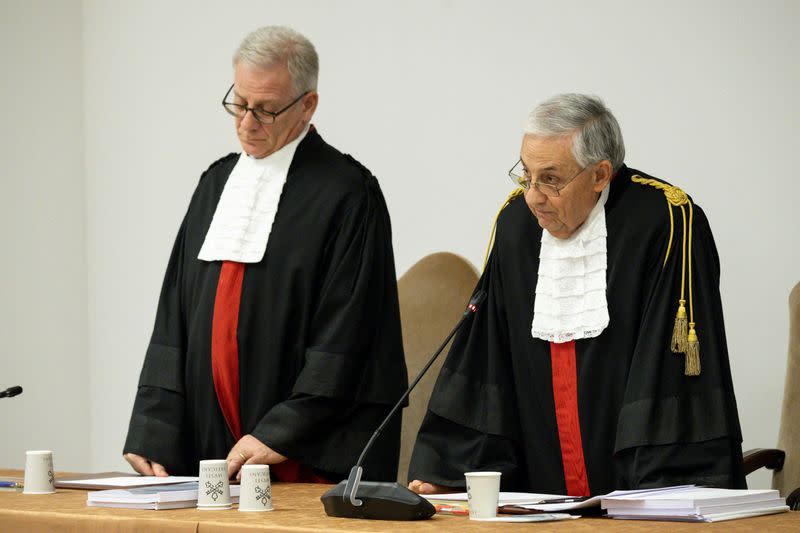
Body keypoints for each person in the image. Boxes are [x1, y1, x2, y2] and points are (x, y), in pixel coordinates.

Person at [408, 94, 746, 496]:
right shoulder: (516, 224)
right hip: (536, 489)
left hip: (635, 491)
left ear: (600, 174)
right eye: (526, 175)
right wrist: (453, 472)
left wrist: (659, 493)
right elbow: (487, 358)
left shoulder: (664, 221)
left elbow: (670, 372)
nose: (532, 196)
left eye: (550, 179)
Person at [123, 26, 407, 483]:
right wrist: (153, 427)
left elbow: (350, 334)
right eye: (239, 103)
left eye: (266, 109)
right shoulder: (215, 184)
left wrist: (282, 431)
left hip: (297, 450)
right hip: (209, 441)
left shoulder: (347, 193)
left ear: (308, 104)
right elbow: (174, 313)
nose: (247, 123)